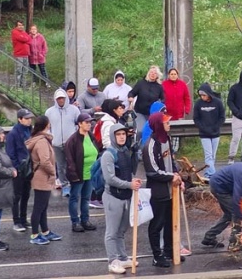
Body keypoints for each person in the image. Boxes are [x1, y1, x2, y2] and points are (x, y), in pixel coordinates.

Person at [142, 112, 185, 268]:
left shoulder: (166, 139)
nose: (169, 124)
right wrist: (170, 177)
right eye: (166, 122)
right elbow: (152, 172)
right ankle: (157, 256)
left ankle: (169, 250)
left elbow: (172, 162)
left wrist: (177, 176)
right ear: (159, 125)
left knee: (170, 222)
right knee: (157, 224)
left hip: (170, 189)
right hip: (158, 191)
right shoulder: (150, 146)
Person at [102, 124, 142, 275]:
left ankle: (123, 258)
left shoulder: (125, 151)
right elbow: (110, 179)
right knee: (111, 232)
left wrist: (135, 151)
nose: (121, 136)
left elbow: (129, 171)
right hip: (113, 196)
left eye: (123, 134)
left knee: (121, 230)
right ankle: (112, 261)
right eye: (118, 134)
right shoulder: (108, 154)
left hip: (126, 195)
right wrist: (129, 184)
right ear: (113, 136)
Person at [25, 115, 63, 245]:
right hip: (42, 177)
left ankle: (45, 231)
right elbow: (45, 161)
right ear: (46, 125)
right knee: (39, 207)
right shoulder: (41, 141)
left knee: (43, 206)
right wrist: (53, 173)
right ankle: (35, 234)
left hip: (43, 177)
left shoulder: (40, 139)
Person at [65, 113, 98, 233]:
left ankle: (85, 220)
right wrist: (74, 175)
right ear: (79, 124)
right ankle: (75, 222)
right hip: (78, 174)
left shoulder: (90, 136)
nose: (89, 124)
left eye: (90, 122)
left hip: (90, 174)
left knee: (86, 198)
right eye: (86, 122)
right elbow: (69, 159)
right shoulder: (73, 140)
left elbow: (96, 151)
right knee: (74, 198)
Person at [201, 162, 242, 250]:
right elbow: (237, 198)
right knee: (236, 213)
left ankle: (209, 237)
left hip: (224, 185)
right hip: (220, 187)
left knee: (229, 215)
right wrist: (241, 216)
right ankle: (235, 243)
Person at [45, 88, 80, 197]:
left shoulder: (74, 110)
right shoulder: (49, 112)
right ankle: (65, 185)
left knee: (72, 165)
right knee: (60, 166)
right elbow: (47, 127)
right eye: (58, 98)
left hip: (71, 144)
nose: (61, 100)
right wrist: (50, 138)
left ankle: (74, 184)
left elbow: (79, 124)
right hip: (56, 143)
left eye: (62, 98)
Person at [6, 108, 34, 232]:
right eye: (26, 118)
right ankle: (16, 221)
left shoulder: (30, 131)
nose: (29, 120)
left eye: (30, 118)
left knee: (26, 195)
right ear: (19, 119)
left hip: (29, 168)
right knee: (16, 196)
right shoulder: (13, 134)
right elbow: (10, 153)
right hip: (19, 169)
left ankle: (23, 219)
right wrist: (15, 167)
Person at [193, 83, 226, 177]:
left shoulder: (218, 102)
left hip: (215, 132)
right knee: (208, 154)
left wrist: (216, 127)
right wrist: (203, 128)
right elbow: (196, 118)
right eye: (201, 95)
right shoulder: (198, 104)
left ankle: (208, 173)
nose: (202, 97)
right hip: (204, 133)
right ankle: (212, 174)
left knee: (213, 156)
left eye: (204, 95)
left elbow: (222, 117)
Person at [163, 68, 191, 153]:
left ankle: (174, 150)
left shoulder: (182, 85)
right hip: (167, 113)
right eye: (171, 74)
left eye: (175, 74)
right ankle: (167, 149)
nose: (173, 76)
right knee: (167, 131)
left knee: (176, 133)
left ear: (177, 75)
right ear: (168, 75)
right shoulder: (164, 84)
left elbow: (187, 98)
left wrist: (187, 109)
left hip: (179, 113)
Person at [11, 20, 30, 87]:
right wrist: (25, 39)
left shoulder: (24, 32)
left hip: (26, 54)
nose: (21, 26)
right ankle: (17, 86)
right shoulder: (14, 32)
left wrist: (25, 39)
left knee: (25, 71)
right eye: (19, 25)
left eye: (22, 25)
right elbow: (24, 39)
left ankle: (23, 85)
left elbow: (29, 39)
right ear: (16, 26)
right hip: (19, 54)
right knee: (18, 71)